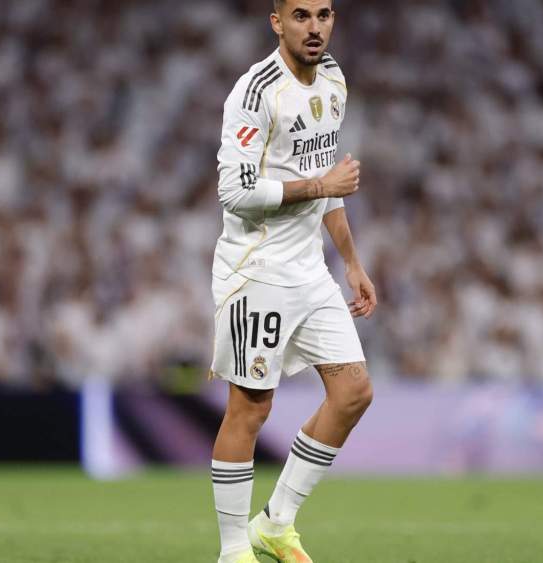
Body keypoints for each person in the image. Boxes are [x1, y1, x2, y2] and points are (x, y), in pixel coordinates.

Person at [208, 1, 377, 562]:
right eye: (301, 15)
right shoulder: (255, 93)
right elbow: (235, 192)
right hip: (256, 270)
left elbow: (329, 181)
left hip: (310, 270)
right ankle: (233, 552)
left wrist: (350, 261)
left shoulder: (333, 78)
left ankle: (276, 523)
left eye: (324, 14)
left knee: (353, 391)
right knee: (251, 408)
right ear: (276, 22)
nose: (315, 27)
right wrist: (317, 184)